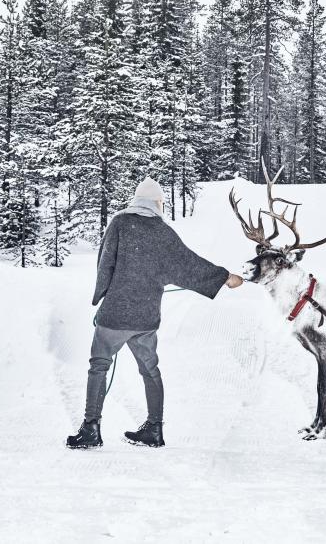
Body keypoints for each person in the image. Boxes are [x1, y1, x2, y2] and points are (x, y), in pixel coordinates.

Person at [66, 177, 244, 449]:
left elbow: (105, 263)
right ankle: (154, 429)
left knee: (99, 366)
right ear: (157, 203)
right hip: (146, 319)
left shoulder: (120, 223)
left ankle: (91, 429)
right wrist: (224, 278)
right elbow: (190, 265)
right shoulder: (164, 233)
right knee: (150, 370)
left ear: (137, 200)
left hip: (114, 315)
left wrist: (100, 295)